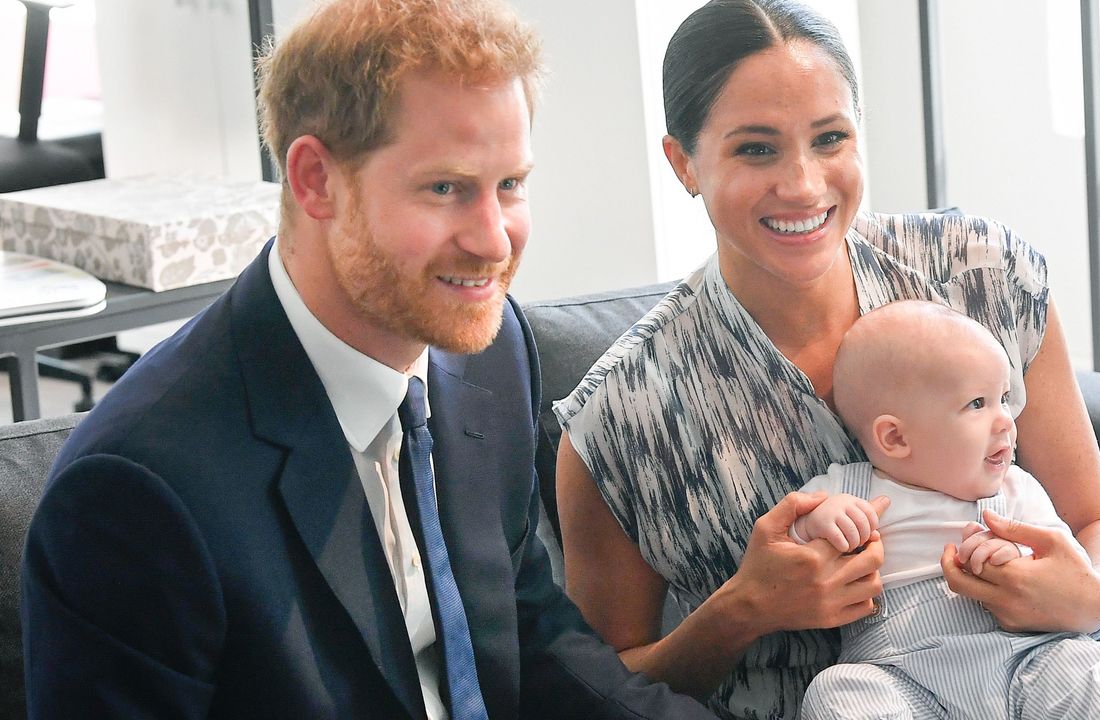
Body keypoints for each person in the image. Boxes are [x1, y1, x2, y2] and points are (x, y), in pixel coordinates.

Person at [19, 1, 717, 718]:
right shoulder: (134, 493)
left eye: (509, 185)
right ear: (316, 179)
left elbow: (536, 641)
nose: (494, 241)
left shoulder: (490, 353)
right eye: (445, 188)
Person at [553, 1, 1100, 718]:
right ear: (684, 163)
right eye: (756, 148)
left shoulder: (982, 276)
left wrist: (1098, 591)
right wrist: (743, 610)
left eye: (830, 138)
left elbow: (1098, 526)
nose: (804, 185)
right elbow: (595, 695)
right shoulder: (620, 416)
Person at [788, 300, 1100, 719]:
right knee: (836, 691)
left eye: (1004, 397)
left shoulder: (1016, 489)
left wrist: (1017, 561)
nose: (1006, 419)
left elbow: (1065, 567)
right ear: (895, 438)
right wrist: (820, 521)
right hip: (902, 675)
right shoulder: (847, 489)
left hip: (1025, 659)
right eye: (977, 403)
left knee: (1083, 666)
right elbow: (786, 545)